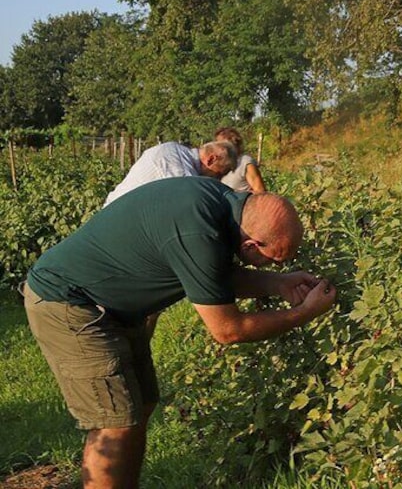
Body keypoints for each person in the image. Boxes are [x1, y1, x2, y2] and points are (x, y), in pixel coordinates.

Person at [23, 177, 336, 488]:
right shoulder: (198, 230)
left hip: (113, 308)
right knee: (114, 423)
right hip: (70, 303)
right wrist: (303, 313)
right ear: (250, 245)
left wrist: (277, 283)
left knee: (141, 406)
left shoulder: (223, 205)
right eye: (275, 260)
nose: (279, 266)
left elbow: (210, 276)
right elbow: (228, 330)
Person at [104, 140, 237, 205]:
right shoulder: (178, 165)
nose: (219, 180)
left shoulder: (177, 154)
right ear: (211, 159)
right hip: (115, 223)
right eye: (220, 173)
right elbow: (189, 202)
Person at [214, 126, 267, 193]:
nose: (219, 148)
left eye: (223, 145)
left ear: (234, 143)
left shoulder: (245, 162)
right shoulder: (219, 164)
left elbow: (260, 191)